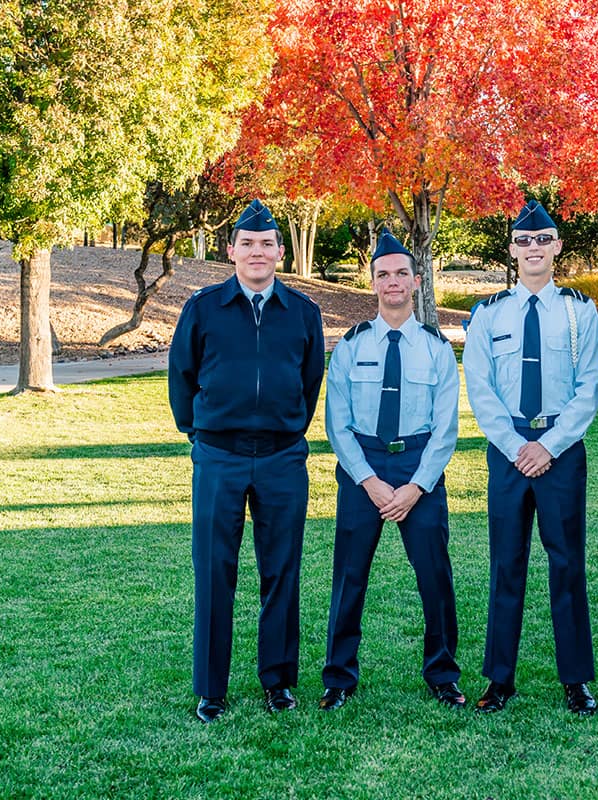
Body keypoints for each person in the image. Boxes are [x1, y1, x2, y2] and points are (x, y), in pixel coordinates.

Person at [168, 198, 325, 722]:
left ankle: (278, 682)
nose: (257, 252)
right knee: (214, 571)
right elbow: (182, 378)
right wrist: (199, 433)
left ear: (280, 252)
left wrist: (285, 431)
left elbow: (309, 381)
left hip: (282, 459)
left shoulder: (303, 312)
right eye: (247, 244)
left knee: (281, 571)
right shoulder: (204, 308)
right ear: (231, 250)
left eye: (267, 244)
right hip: (219, 458)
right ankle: (211, 688)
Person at [463, 199, 598, 716]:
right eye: (524, 241)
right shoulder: (489, 313)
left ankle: (576, 681)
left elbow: (591, 385)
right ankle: (499, 680)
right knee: (507, 565)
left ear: (557, 246)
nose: (533, 248)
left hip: (560, 450)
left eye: (543, 239)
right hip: (507, 452)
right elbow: (479, 387)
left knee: (567, 564)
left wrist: (547, 446)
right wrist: (515, 446)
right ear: (512, 249)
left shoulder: (579, 311)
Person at [319, 229, 466, 711]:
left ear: (417, 280)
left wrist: (416, 487)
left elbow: (446, 427)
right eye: (383, 275)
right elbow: (337, 423)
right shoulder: (351, 345)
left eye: (402, 273)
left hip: (419, 465)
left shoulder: (436, 347)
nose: (393, 282)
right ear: (374, 283)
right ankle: (339, 678)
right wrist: (370, 480)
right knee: (350, 576)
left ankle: (442, 674)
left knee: (434, 576)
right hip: (364, 466)